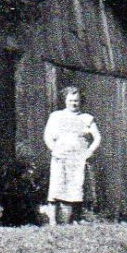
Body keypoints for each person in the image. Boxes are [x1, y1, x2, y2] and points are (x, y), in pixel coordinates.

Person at [44, 86, 102, 225]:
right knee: (57, 188)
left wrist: (89, 152)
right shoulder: (56, 116)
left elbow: (98, 137)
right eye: (70, 100)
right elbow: (47, 136)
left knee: (76, 188)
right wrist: (54, 149)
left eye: (76, 101)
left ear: (81, 101)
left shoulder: (87, 118)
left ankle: (75, 219)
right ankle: (53, 222)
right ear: (65, 100)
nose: (73, 103)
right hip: (60, 158)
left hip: (78, 159)